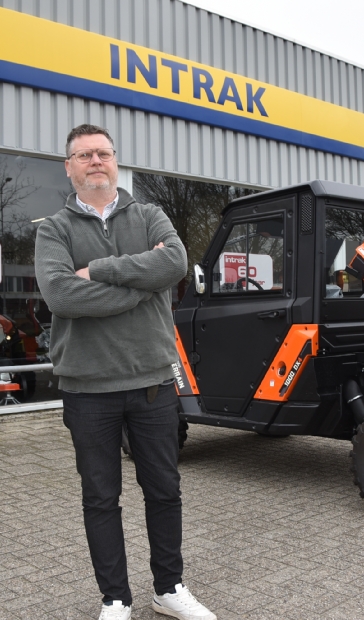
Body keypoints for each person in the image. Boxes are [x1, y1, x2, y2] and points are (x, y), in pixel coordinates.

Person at [35, 124, 216, 620]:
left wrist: (99, 270)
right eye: (84, 155)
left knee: (164, 490)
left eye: (103, 153)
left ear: (114, 161)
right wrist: (143, 285)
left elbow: (174, 264)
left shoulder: (150, 215)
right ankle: (115, 599)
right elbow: (62, 295)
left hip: (153, 384)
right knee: (100, 498)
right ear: (69, 167)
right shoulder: (53, 230)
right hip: (88, 390)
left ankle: (169, 589)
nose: (95, 161)